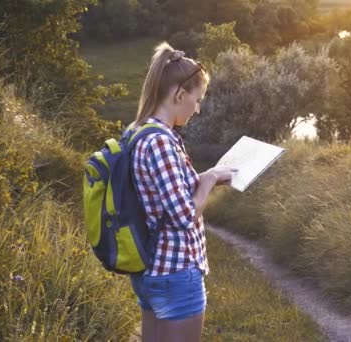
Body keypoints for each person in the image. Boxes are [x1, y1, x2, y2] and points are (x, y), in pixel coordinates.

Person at [127, 42, 235, 342]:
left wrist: (206, 178)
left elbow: (161, 193)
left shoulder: (138, 131)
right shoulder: (161, 142)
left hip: (150, 270)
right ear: (179, 95)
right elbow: (184, 215)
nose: (197, 109)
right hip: (175, 271)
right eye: (197, 100)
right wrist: (211, 177)